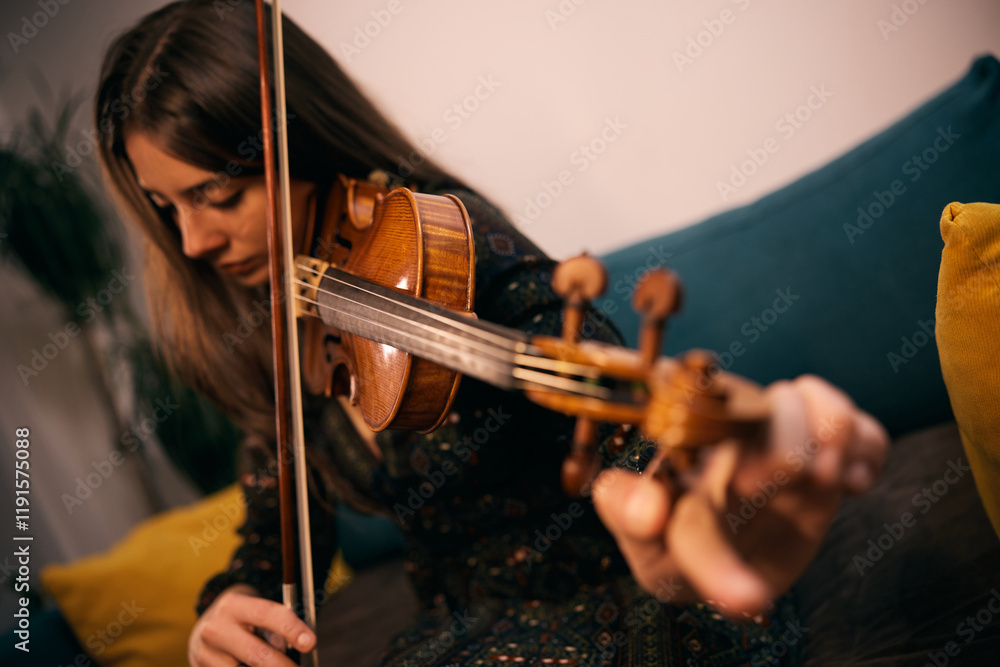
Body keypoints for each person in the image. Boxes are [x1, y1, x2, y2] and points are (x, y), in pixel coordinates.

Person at [95, 2, 888, 665]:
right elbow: (270, 541)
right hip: (462, 633)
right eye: (170, 209)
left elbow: (615, 422)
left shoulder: (442, 241)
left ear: (296, 141)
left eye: (219, 195)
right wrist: (225, 607)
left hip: (612, 610)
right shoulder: (275, 315)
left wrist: (683, 495)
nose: (194, 243)